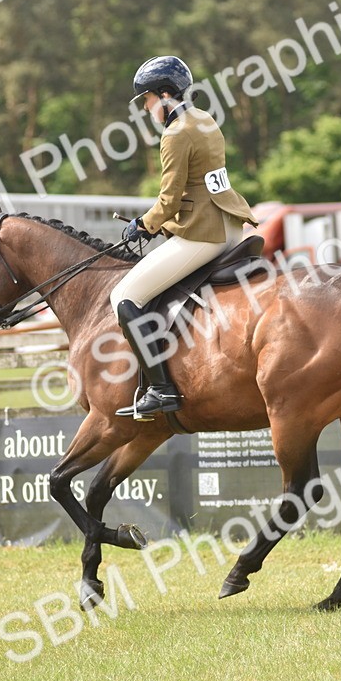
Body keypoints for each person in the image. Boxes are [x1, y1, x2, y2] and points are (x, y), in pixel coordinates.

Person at [110, 56, 259, 420]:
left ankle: (161, 389)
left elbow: (169, 199)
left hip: (202, 235)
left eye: (146, 100)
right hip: (231, 227)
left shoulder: (175, 135)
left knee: (124, 295)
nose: (146, 108)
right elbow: (202, 185)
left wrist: (142, 225)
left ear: (163, 95)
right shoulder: (205, 119)